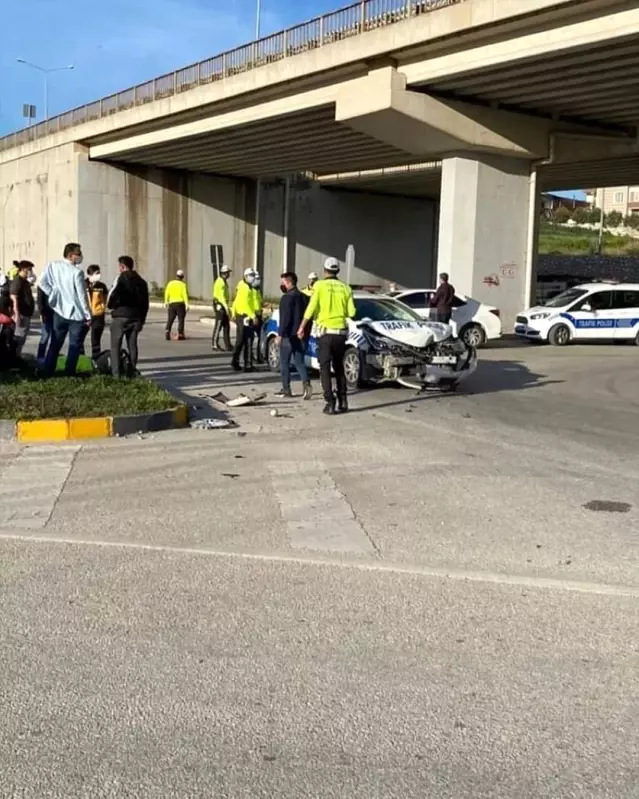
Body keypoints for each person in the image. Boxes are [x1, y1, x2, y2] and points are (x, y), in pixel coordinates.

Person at [297, 257, 355, 415]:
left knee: (324, 368)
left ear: (324, 270)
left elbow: (311, 308)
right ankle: (343, 401)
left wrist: (302, 327)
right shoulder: (346, 288)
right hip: (341, 334)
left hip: (325, 334)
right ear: (338, 271)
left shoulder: (319, 286)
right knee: (339, 368)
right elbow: (352, 312)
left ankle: (330, 402)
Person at [39, 243, 91, 377]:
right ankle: (69, 373)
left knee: (55, 344)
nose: (80, 257)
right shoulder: (77, 272)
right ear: (71, 255)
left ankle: (48, 371)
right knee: (74, 346)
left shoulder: (53, 266)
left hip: (59, 311)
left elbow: (42, 282)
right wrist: (88, 315)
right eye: (78, 254)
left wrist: (53, 293)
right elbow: (81, 296)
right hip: (76, 315)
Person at [108, 255, 149, 378]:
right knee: (132, 345)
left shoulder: (121, 279)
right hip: (136, 317)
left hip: (121, 316)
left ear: (122, 266)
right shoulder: (142, 282)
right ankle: (131, 371)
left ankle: (116, 374)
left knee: (115, 346)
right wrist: (142, 320)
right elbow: (145, 303)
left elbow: (114, 295)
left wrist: (111, 306)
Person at [275, 271, 312, 400]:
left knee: (284, 363)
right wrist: (305, 332)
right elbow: (309, 316)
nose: (281, 285)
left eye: (283, 282)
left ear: (289, 282)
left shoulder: (287, 298)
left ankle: (286, 389)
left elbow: (285, 318)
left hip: (288, 336)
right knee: (299, 362)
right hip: (301, 335)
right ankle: (307, 385)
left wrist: (280, 335)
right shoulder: (304, 297)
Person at [231, 268, 260, 372]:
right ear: (245, 276)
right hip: (245, 316)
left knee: (241, 340)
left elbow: (237, 300)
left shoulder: (246, 286)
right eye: (250, 275)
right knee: (248, 339)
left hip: (243, 315)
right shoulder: (244, 288)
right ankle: (247, 365)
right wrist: (253, 316)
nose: (252, 277)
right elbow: (245, 304)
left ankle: (235, 361)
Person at [9, 260, 35, 356]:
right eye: (29, 269)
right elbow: (14, 298)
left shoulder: (24, 281)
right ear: (23, 269)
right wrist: (17, 314)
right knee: (19, 337)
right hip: (21, 313)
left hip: (26, 313)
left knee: (22, 337)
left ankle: (17, 356)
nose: (31, 271)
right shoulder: (17, 281)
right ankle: (14, 357)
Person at [86, 264, 108, 360]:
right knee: (79, 337)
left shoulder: (101, 286)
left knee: (96, 338)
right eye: (96, 273)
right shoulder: (83, 284)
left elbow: (105, 299)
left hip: (98, 315)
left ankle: (96, 358)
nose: (99, 275)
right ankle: (80, 356)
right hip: (84, 315)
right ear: (90, 274)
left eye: (99, 273)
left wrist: (102, 309)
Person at [164, 269, 189, 341]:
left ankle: (167, 331)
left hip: (172, 304)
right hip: (180, 304)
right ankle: (180, 334)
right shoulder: (183, 285)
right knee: (181, 320)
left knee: (170, 319)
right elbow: (185, 295)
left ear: (176, 276)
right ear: (182, 277)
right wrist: (187, 304)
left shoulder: (170, 283)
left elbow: (167, 293)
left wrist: (166, 301)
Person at [212, 265, 232, 351]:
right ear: (224, 273)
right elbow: (221, 297)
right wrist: (226, 308)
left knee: (226, 326)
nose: (229, 275)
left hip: (224, 305)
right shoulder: (220, 282)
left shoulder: (224, 282)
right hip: (220, 305)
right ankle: (214, 344)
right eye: (228, 273)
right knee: (219, 325)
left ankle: (228, 345)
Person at [252, 273, 264, 364]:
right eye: (257, 278)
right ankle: (253, 356)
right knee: (254, 337)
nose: (259, 280)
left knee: (260, 336)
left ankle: (258, 355)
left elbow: (259, 301)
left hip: (259, 314)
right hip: (253, 316)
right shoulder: (251, 290)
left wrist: (264, 305)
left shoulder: (257, 290)